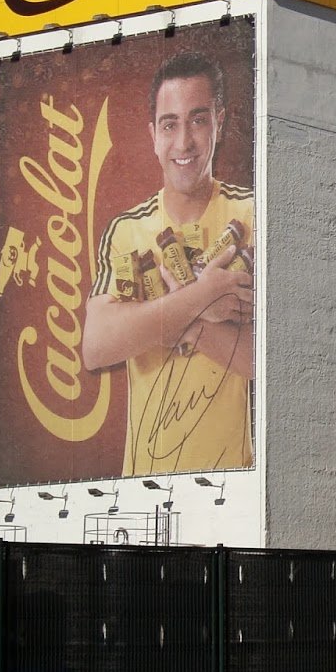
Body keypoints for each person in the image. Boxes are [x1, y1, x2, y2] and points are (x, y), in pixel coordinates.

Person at [84, 49, 255, 475]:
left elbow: (261, 361)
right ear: (152, 135)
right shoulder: (126, 230)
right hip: (144, 482)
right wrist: (205, 297)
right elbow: (96, 347)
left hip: (233, 478)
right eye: (170, 124)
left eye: (198, 119)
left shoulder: (256, 214)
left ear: (221, 120)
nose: (184, 142)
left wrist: (177, 310)